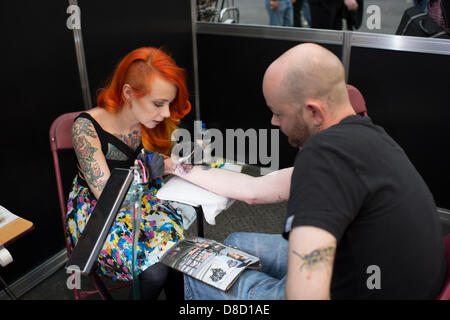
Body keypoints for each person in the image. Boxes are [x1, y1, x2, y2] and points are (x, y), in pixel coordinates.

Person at [165, 43, 447, 299]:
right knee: (236, 242)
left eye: (278, 112)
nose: (274, 122)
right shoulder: (366, 139)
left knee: (197, 272)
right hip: (391, 277)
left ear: (314, 112)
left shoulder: (323, 158)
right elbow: (254, 191)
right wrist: (176, 167)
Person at [66, 47, 191, 300]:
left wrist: (178, 164)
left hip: (139, 200)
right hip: (99, 214)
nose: (166, 113)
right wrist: (159, 166)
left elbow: (155, 162)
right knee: (156, 272)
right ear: (128, 93)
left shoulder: (143, 120)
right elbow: (108, 195)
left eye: (168, 103)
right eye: (158, 103)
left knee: (178, 259)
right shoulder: (85, 128)